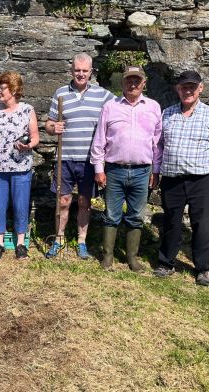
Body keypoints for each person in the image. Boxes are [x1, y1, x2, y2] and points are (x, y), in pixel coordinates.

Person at [152, 70, 209, 286]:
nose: (188, 91)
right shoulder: (167, 114)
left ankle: (202, 268)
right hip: (172, 179)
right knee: (171, 222)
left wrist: (208, 163)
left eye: (192, 87)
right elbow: (159, 145)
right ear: (177, 89)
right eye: (184, 87)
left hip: (200, 179)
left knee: (201, 225)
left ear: (200, 88)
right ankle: (166, 263)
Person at [90, 65, 163, 272]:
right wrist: (98, 169)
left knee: (136, 216)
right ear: (122, 82)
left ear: (144, 83)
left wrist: (155, 170)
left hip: (142, 171)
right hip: (114, 170)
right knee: (111, 214)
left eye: (137, 81)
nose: (133, 84)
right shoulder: (110, 107)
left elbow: (157, 143)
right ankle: (108, 256)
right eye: (129, 80)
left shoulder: (153, 107)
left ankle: (132, 258)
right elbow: (99, 140)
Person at [44, 53, 115, 259]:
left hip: (89, 160)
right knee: (63, 200)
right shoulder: (60, 93)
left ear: (91, 72)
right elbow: (48, 124)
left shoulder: (103, 95)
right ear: (71, 71)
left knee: (85, 201)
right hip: (64, 157)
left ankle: (82, 241)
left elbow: (120, 111)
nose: (81, 74)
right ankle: (58, 239)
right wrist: (52, 127)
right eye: (77, 70)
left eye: (85, 71)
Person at [0, 71, 40, 260]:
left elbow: (35, 137)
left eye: (2, 88)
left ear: (14, 90)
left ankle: (21, 243)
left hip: (21, 167)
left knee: (20, 205)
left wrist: (27, 145)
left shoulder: (27, 110)